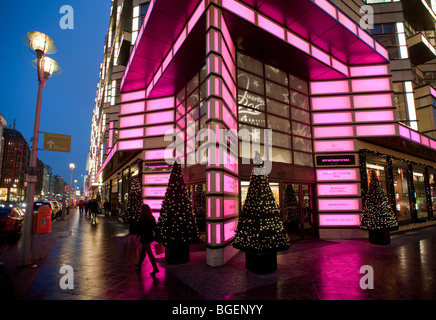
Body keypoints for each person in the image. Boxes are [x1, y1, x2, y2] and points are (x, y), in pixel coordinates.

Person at [135, 204, 159, 277]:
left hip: (145, 237)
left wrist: (139, 233)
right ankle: (139, 264)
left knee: (149, 252)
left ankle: (155, 268)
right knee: (143, 251)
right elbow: (154, 227)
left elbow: (140, 228)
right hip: (149, 236)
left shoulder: (142, 218)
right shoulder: (151, 218)